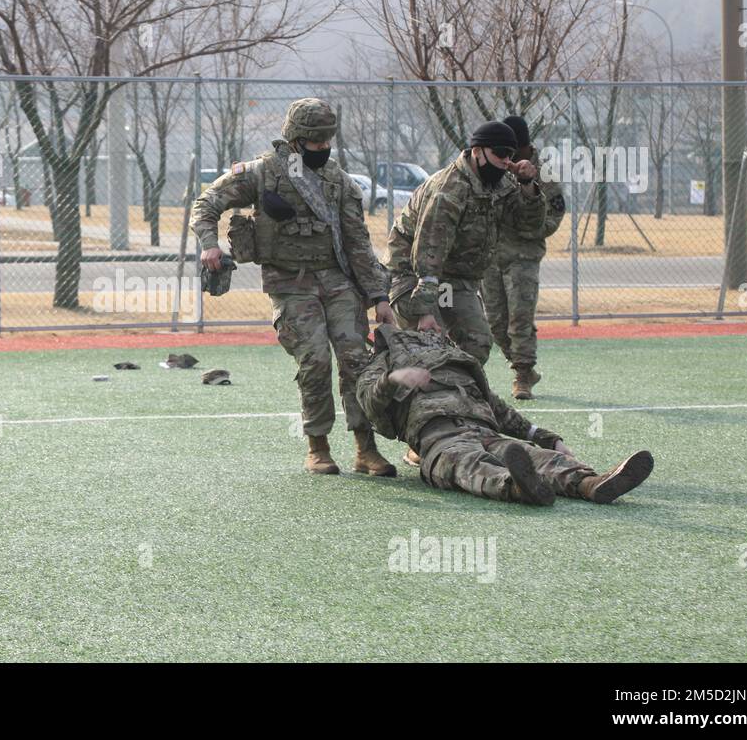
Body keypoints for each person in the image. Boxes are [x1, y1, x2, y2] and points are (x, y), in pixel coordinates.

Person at [191, 98, 396, 475]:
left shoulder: (338, 182)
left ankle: (365, 448)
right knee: (315, 360)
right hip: (291, 282)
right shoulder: (261, 173)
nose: (322, 149)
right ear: (296, 140)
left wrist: (379, 295)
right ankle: (318, 446)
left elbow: (358, 243)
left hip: (337, 281)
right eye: (314, 142)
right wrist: (209, 244)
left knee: (356, 361)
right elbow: (206, 203)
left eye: (326, 142)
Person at [358, 325, 654, 506]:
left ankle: (593, 484)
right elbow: (370, 406)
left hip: (485, 430)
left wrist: (546, 438)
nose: (431, 334)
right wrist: (393, 379)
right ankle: (517, 487)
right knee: (466, 464)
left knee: (536, 456)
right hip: (439, 438)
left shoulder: (455, 362)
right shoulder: (380, 367)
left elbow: (500, 410)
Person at [385, 121, 547, 365]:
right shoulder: (449, 189)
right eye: (500, 153)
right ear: (477, 151)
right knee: (428, 347)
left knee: (477, 342)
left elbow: (529, 226)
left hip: (456, 279)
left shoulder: (502, 184)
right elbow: (429, 252)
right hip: (414, 275)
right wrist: (425, 311)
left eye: (510, 155)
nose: (506, 161)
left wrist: (527, 186)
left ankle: (459, 399)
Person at [480, 115, 567, 399]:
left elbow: (554, 216)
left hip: (524, 255)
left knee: (520, 316)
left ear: (526, 147)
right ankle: (522, 367)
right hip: (492, 255)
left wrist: (529, 227)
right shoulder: (495, 169)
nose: (509, 156)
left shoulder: (546, 174)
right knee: (496, 322)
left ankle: (522, 373)